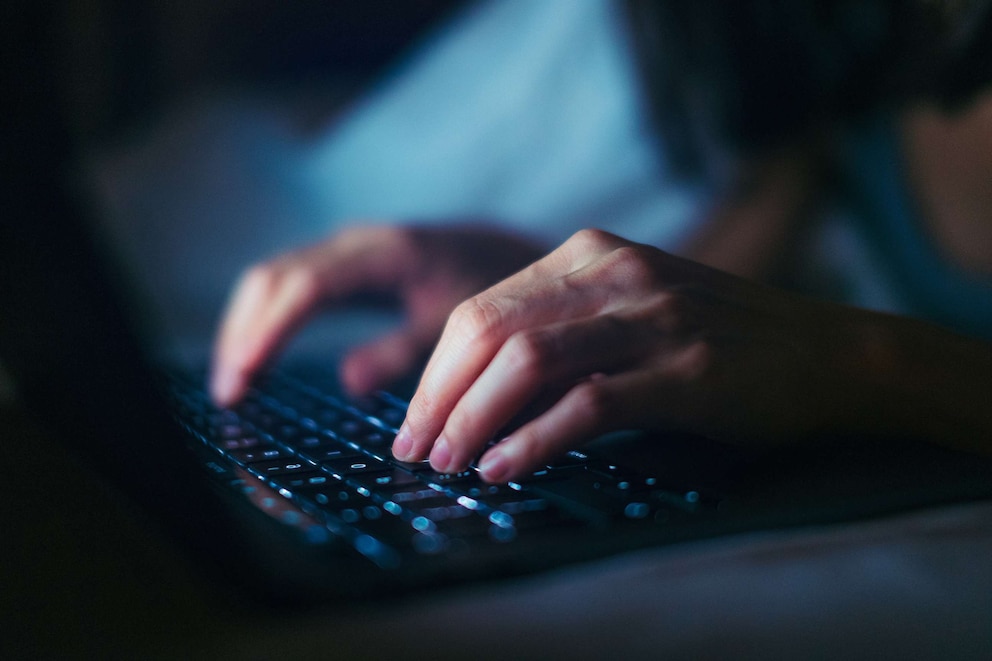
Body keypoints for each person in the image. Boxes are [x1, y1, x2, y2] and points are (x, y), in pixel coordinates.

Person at [210, 0, 992, 484]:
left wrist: (862, 360)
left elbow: (809, 343)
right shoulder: (866, 40)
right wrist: (543, 296)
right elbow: (737, 308)